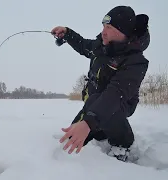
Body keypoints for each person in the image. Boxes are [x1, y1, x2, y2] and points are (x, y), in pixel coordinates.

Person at [51, 5, 150, 162]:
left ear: (123, 32)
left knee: (97, 113)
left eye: (109, 27)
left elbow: (116, 93)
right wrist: (68, 34)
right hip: (93, 102)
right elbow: (83, 45)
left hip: (120, 103)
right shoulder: (101, 46)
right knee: (71, 138)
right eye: (103, 26)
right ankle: (100, 129)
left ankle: (122, 142)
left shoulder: (135, 62)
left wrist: (88, 123)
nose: (103, 31)